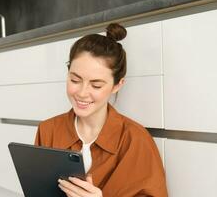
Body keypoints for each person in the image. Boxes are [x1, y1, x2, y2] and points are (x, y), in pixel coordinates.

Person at [35, 23, 168, 197]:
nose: (82, 93)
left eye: (96, 85)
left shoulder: (135, 140)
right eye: (75, 80)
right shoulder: (48, 130)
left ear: (117, 85)